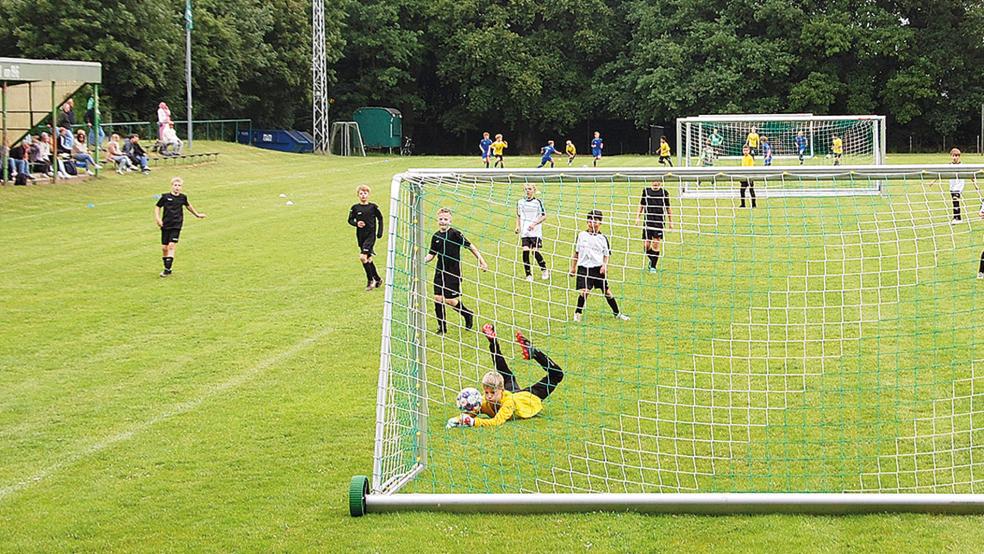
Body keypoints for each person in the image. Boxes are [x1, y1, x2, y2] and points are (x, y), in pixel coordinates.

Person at [446, 324, 564, 429]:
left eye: (492, 393)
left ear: (501, 390)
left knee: (557, 374)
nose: (489, 396)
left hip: (527, 398)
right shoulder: (483, 401)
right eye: (486, 393)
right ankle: (493, 342)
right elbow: (472, 412)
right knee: (505, 373)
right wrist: (457, 419)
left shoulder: (508, 404)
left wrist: (473, 422)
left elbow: (496, 421)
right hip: (512, 393)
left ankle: (535, 353)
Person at [425, 207, 488, 334]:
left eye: (446, 219)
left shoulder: (455, 234)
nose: (443, 221)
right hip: (439, 271)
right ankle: (442, 328)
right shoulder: (436, 236)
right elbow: (431, 255)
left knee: (449, 300)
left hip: (453, 271)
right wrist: (420, 260)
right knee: (437, 298)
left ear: (450, 221)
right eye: (441, 219)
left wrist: (482, 261)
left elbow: (470, 247)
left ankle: (467, 314)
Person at [569, 210, 628, 322]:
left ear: (600, 223)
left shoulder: (603, 238)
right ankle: (578, 313)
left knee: (607, 292)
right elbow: (576, 253)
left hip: (597, 269)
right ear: (587, 222)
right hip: (584, 268)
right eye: (590, 220)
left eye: (596, 221)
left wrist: (604, 265)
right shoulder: (581, 235)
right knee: (585, 291)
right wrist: (573, 267)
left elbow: (606, 255)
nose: (593, 223)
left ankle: (617, 313)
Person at [155, 176, 206, 277]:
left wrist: (197, 214)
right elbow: (157, 207)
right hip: (166, 224)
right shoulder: (165, 197)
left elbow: (188, 206)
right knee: (164, 248)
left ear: (181, 187)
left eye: (179, 185)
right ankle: (167, 268)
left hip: (176, 224)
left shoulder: (183, 197)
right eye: (175, 185)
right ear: (172, 186)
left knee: (171, 245)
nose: (177, 187)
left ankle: (167, 269)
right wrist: (158, 219)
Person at [348, 185, 385, 290]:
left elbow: (380, 218)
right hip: (360, 236)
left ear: (368, 194)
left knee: (362, 257)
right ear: (358, 195)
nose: (363, 195)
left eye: (365, 193)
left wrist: (380, 232)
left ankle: (370, 281)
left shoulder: (373, 207)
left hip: (370, 236)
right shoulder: (355, 208)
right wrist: (356, 223)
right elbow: (350, 220)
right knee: (368, 258)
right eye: (361, 193)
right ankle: (377, 278)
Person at [636, 180, 672, 272]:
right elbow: (642, 204)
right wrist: (638, 217)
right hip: (648, 221)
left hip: (659, 222)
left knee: (656, 243)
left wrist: (671, 222)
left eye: (658, 181)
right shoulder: (646, 191)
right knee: (646, 245)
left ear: (661, 182)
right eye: (654, 181)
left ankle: (653, 267)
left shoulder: (664, 192)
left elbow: (668, 208)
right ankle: (653, 260)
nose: (656, 183)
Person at [516, 183, 548, 281]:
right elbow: (518, 215)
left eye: (529, 189)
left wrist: (534, 224)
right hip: (525, 231)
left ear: (534, 190)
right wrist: (517, 226)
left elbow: (544, 215)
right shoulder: (520, 202)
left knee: (534, 252)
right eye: (526, 189)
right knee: (525, 251)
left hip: (535, 232)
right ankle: (528, 275)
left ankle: (544, 269)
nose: (528, 191)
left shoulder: (538, 202)